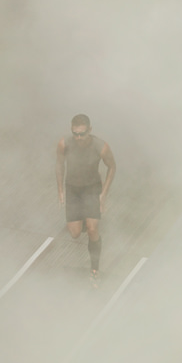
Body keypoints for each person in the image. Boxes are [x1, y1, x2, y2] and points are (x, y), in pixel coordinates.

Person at [56, 113, 116, 286]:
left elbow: (112, 167)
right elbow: (59, 165)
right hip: (73, 189)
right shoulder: (64, 144)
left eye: (82, 133)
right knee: (75, 234)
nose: (79, 138)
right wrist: (60, 189)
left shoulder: (101, 147)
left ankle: (94, 270)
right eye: (76, 134)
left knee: (92, 229)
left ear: (90, 130)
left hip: (91, 189)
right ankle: (86, 220)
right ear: (71, 131)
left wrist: (103, 194)